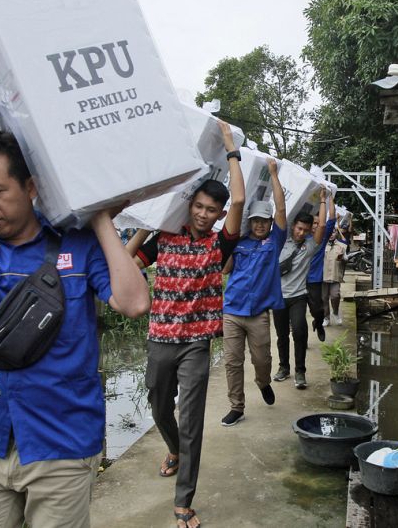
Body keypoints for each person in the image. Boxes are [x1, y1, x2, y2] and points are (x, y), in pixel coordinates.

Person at [0, 14, 151, 528]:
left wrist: (101, 215)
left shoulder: (76, 245)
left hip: (60, 446)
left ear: (31, 186)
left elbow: (134, 302)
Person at [126, 125, 244, 528]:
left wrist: (231, 150)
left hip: (196, 345)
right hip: (160, 340)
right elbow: (126, 263)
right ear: (189, 204)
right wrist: (149, 220)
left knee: (191, 420)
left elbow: (241, 198)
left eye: (210, 210)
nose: (201, 213)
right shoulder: (164, 239)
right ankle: (172, 448)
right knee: (159, 407)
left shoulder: (219, 244)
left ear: (218, 215)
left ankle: (184, 501)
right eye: (197, 206)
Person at [219, 158, 286, 427]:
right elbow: (225, 270)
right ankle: (236, 406)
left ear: (270, 223)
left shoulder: (275, 243)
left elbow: (281, 208)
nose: (260, 225)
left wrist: (272, 174)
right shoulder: (240, 243)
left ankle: (263, 381)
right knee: (232, 362)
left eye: (264, 221)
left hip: (258, 314)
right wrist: (223, 247)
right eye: (255, 221)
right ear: (250, 222)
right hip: (232, 311)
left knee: (262, 359)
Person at [273, 188, 333, 389]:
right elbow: (279, 215)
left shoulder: (309, 247)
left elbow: (323, 225)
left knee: (299, 331)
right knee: (282, 335)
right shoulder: (280, 242)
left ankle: (300, 372)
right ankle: (283, 367)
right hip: (279, 298)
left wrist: (323, 200)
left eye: (305, 230)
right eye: (299, 228)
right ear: (293, 227)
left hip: (299, 296)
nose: (301, 232)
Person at [306, 200, 337, 340]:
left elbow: (331, 219)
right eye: (314, 223)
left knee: (318, 310)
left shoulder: (322, 239)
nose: (316, 226)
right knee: (297, 318)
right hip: (298, 281)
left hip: (314, 280)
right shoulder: (299, 236)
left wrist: (330, 197)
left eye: (318, 223)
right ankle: (302, 341)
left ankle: (318, 323)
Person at [321, 227, 347, 326]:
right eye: (330, 232)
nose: (331, 234)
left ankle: (335, 312)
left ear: (336, 233)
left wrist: (343, 257)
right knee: (324, 298)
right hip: (323, 276)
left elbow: (346, 259)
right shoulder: (322, 245)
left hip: (335, 275)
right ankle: (326, 317)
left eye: (334, 232)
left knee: (335, 295)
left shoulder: (342, 245)